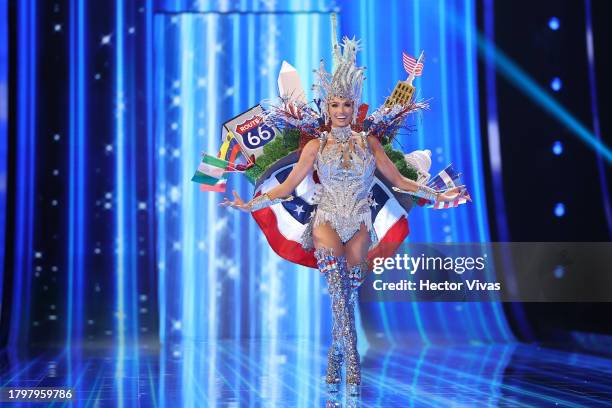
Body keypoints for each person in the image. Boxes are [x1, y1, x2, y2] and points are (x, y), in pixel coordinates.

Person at [220, 35, 466, 396]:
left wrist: (437, 193)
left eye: (346, 104)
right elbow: (287, 187)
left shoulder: (370, 143)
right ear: (327, 108)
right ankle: (351, 361)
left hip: (361, 223)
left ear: (354, 108)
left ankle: (335, 352)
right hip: (325, 221)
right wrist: (250, 205)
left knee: (348, 296)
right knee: (338, 293)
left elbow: (399, 181)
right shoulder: (315, 145)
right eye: (334, 103)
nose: (339, 110)